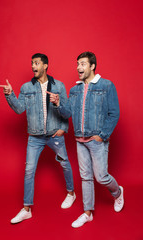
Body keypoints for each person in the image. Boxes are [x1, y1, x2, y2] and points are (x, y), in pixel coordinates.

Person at [48, 51, 124, 228]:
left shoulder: (106, 85)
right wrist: (58, 104)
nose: (78, 67)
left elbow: (114, 113)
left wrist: (102, 135)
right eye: (77, 64)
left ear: (92, 66)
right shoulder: (75, 90)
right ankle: (87, 212)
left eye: (82, 64)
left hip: (97, 139)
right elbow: (68, 114)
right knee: (85, 177)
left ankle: (118, 192)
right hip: (79, 140)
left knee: (101, 177)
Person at [0, 53, 76, 224]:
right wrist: (10, 95)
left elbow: (68, 112)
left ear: (45, 66)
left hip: (54, 136)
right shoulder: (26, 88)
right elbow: (19, 109)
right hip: (35, 137)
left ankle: (71, 193)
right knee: (29, 171)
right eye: (32, 63)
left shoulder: (59, 86)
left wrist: (63, 127)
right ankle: (27, 209)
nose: (33, 66)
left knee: (64, 163)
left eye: (37, 63)